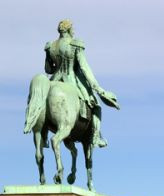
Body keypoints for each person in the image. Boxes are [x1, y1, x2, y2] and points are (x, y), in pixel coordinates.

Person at [44, 19, 119, 148]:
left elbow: (48, 70)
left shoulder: (51, 46)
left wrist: (48, 56)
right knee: (95, 105)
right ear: (69, 29)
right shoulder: (75, 44)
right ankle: (96, 137)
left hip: (54, 81)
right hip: (72, 80)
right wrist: (98, 89)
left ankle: (43, 135)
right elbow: (85, 68)